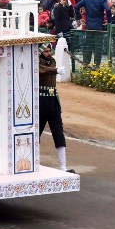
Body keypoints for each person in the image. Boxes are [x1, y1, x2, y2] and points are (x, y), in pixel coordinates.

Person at [38, 43, 73, 173]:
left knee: (58, 132)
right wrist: (55, 70)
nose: (48, 53)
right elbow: (40, 69)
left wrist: (55, 68)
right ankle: (32, 163)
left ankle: (63, 166)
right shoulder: (36, 62)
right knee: (36, 134)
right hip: (41, 101)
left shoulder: (52, 61)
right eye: (45, 51)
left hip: (53, 100)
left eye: (49, 51)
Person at [74, 0, 111, 66]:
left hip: (89, 26)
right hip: (98, 27)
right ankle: (96, 66)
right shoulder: (102, 0)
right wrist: (108, 20)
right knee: (98, 47)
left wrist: (79, 17)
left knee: (88, 46)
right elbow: (108, 10)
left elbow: (76, 6)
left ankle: (86, 65)